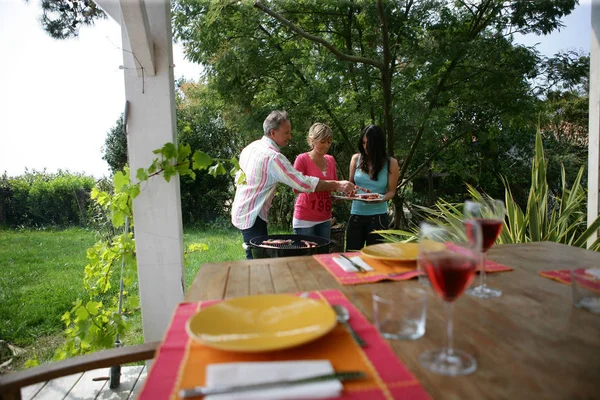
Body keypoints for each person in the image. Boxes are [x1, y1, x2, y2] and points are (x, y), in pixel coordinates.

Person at [231, 110, 356, 259]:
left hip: (245, 210)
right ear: (273, 132)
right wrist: (337, 184)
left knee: (256, 256)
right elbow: (302, 184)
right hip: (253, 214)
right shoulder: (273, 157)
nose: (290, 136)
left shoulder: (251, 147)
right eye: (286, 133)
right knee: (258, 261)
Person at [345, 125, 399, 251]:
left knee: (376, 258)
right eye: (363, 143)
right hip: (356, 215)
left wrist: (379, 199)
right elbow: (350, 185)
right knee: (352, 256)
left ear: (378, 144)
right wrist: (347, 193)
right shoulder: (356, 159)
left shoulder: (391, 163)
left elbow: (391, 192)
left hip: (378, 217)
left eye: (369, 143)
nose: (365, 147)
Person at [292, 123, 336, 239]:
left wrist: (342, 194)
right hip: (305, 218)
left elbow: (334, 187)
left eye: (329, 142)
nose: (326, 145)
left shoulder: (331, 160)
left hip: (325, 217)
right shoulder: (302, 159)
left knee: (322, 255)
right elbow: (295, 188)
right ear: (312, 140)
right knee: (305, 256)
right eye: (323, 142)